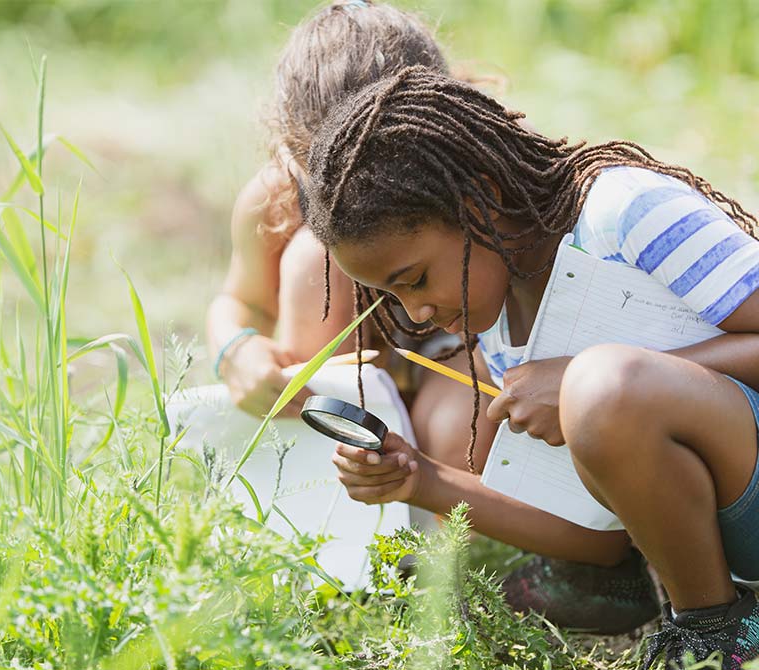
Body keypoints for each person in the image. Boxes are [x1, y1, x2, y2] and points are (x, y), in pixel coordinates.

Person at [304, 65, 759, 667]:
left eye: (415, 279)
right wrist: (419, 479)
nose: (415, 311)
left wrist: (583, 384)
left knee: (603, 387)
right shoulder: (500, 327)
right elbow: (598, 538)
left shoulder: (621, 212)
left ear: (481, 201)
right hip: (737, 533)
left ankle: (716, 634)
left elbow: (609, 387)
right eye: (392, 298)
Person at [205, 0, 452, 420]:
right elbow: (243, 300)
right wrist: (236, 350)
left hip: (458, 357)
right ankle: (332, 450)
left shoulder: (477, 168)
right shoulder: (274, 201)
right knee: (312, 260)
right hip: (349, 369)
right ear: (291, 155)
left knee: (449, 423)